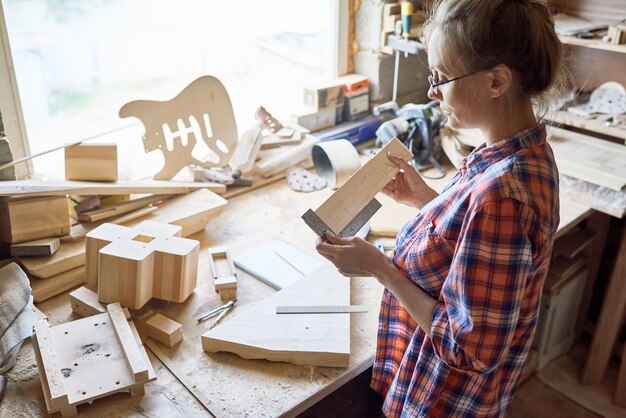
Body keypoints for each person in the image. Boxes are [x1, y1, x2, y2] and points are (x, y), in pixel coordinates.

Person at [315, 0, 564, 416]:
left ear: (497, 81)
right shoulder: (515, 153)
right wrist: (425, 199)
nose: (432, 92)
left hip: (445, 401)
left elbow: (466, 349)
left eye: (442, 77)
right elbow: (470, 241)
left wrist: (379, 267)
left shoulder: (503, 195)